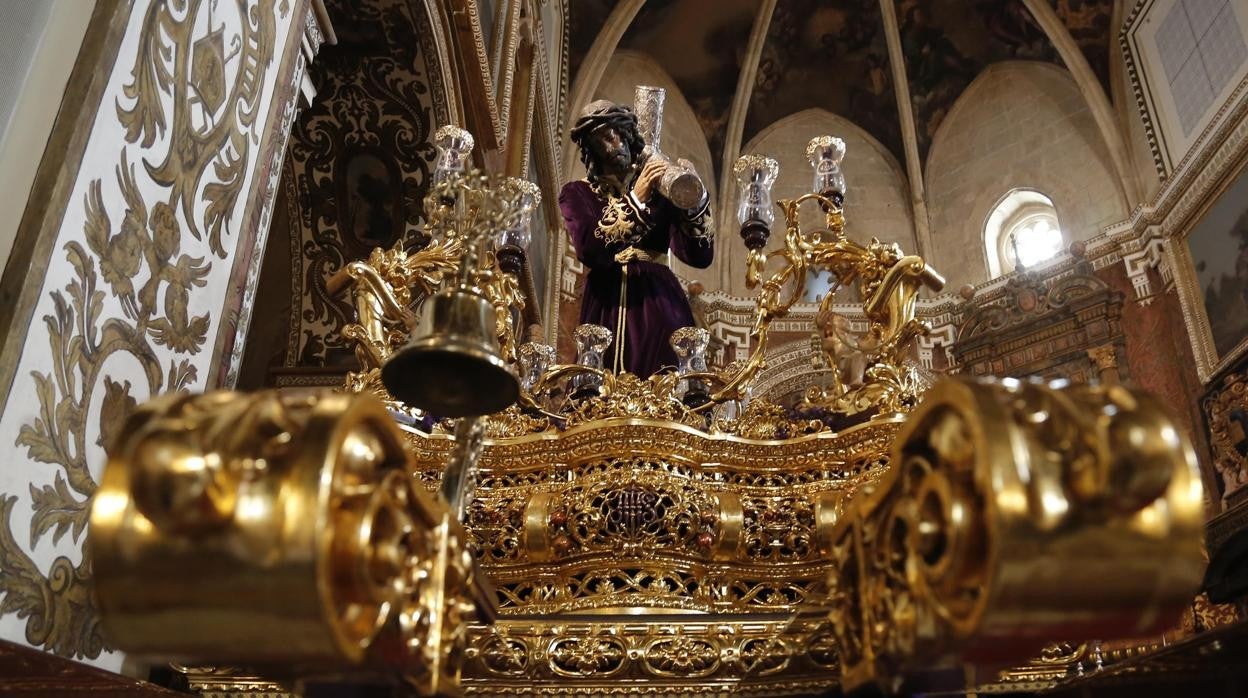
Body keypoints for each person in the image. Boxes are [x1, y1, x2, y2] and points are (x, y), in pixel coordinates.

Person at [559, 100, 714, 377]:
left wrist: (695, 201)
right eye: (599, 142)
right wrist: (636, 198)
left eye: (612, 136)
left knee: (667, 382)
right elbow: (589, 249)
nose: (610, 147)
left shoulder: (660, 188)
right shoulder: (577, 193)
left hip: (659, 299)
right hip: (606, 302)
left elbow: (699, 256)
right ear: (589, 150)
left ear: (627, 133)